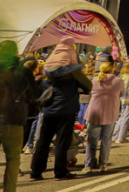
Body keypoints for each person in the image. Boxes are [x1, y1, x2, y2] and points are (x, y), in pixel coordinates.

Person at [31, 36, 92, 181]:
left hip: (49, 109)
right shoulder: (73, 71)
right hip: (66, 109)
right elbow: (88, 86)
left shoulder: (48, 69)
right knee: (62, 141)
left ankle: (36, 172)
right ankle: (60, 171)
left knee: (43, 141)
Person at [1, 40, 35, 192]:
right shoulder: (22, 71)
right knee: (13, 159)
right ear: (15, 52)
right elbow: (34, 95)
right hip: (13, 119)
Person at [82, 62, 125, 174]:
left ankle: (88, 165)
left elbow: (89, 92)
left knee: (91, 141)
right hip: (110, 112)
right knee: (106, 140)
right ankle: (103, 164)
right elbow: (122, 93)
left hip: (94, 112)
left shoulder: (95, 80)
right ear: (112, 69)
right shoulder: (118, 81)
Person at [113, 62, 129, 143]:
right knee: (127, 117)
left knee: (122, 116)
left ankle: (115, 136)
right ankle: (121, 137)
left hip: (122, 96)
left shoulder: (121, 76)